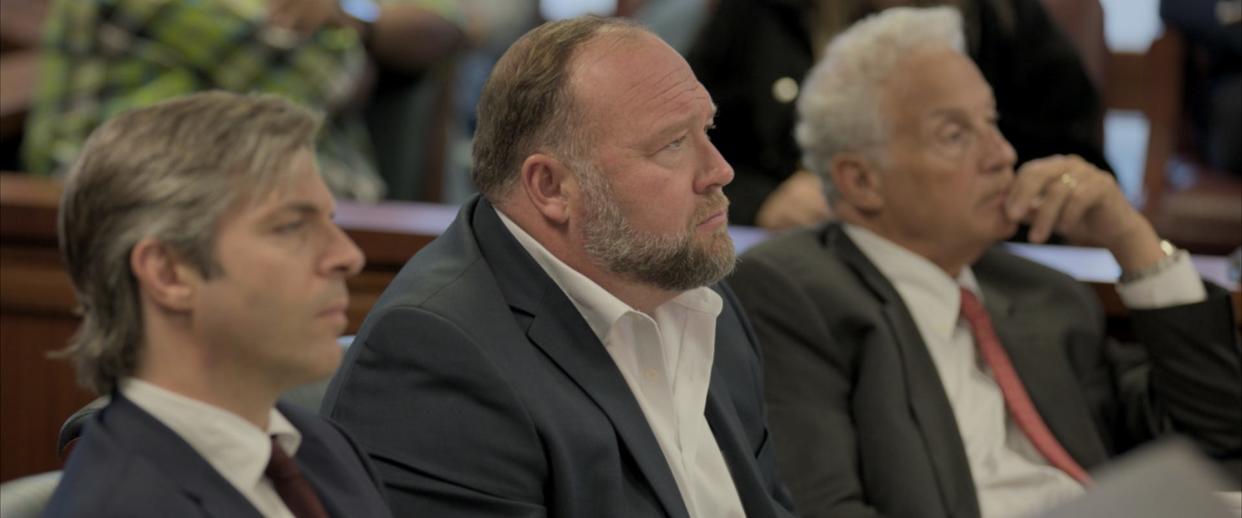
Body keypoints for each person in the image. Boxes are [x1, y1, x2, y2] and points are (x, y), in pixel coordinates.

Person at [727, 7, 1242, 518]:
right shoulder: (795, 293)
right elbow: (821, 508)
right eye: (954, 135)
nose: (1001, 154)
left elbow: (1218, 443)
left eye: (992, 123)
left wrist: (1133, 242)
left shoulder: (1045, 294)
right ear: (861, 181)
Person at [321, 16, 798, 518]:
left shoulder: (700, 298)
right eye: (672, 144)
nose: (720, 170)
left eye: (707, 129)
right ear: (551, 187)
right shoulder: (434, 351)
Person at [44, 92, 391, 518]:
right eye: (291, 226)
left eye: (330, 220)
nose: (348, 255)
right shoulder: (123, 506)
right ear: (169, 274)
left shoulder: (326, 449)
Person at [687, 0, 1109, 229]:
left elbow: (1076, 167)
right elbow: (681, 148)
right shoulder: (761, 15)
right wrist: (761, 203)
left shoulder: (1011, 24)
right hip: (798, 252)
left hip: (960, 260)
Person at [22, 0, 473, 202]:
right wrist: (359, 37)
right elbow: (334, 73)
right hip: (129, 213)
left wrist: (355, 18)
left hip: (285, 210)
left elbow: (454, 23)